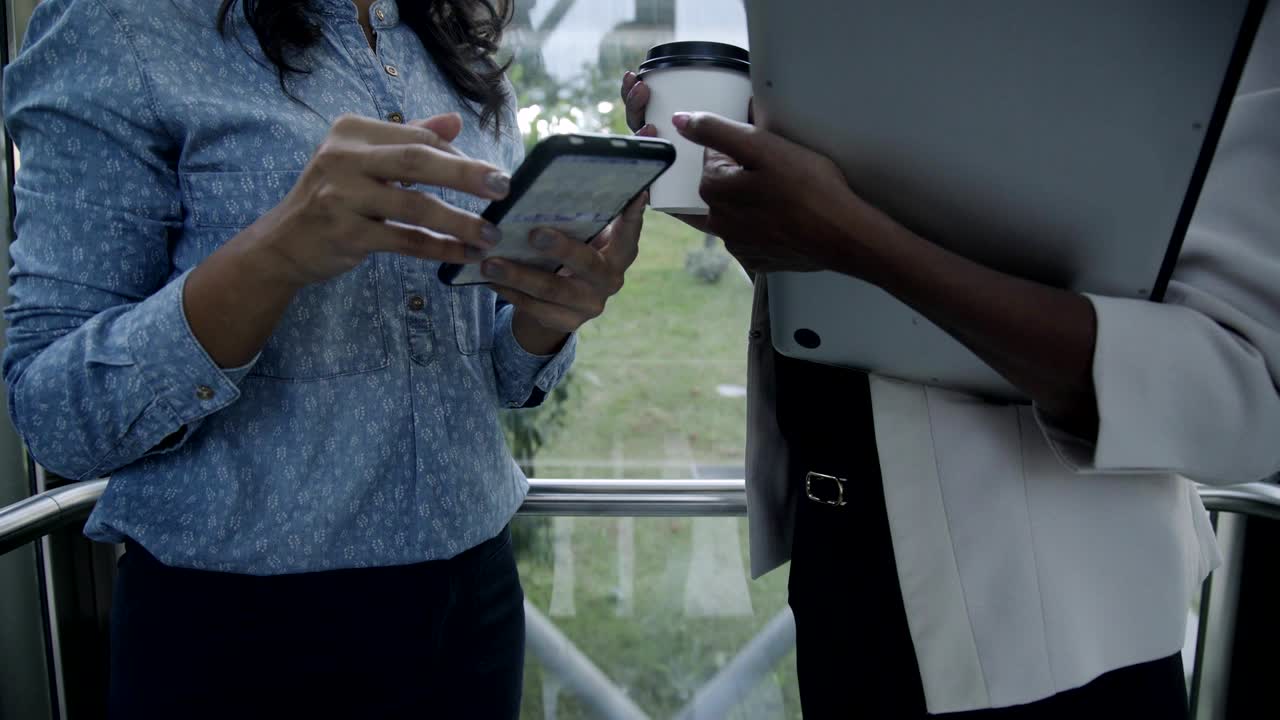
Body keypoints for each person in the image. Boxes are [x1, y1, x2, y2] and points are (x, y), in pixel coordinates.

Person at [621, 5, 1279, 718]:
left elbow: (1243, 396)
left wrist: (851, 238)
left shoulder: (1203, 30)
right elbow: (876, 321)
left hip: (1047, 637)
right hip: (842, 576)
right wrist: (761, 221)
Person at [2, 1, 642, 717]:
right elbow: (55, 412)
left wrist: (544, 318)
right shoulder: (121, 22)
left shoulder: (453, 39)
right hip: (240, 639)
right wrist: (273, 254)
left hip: (475, 605)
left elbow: (492, 364)